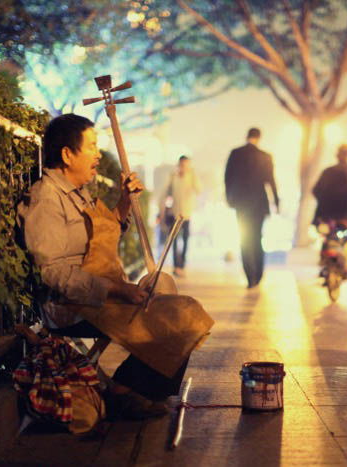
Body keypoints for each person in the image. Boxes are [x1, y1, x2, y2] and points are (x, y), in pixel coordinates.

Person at [18, 114, 212, 420]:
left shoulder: (79, 192)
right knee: (180, 315)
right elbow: (52, 272)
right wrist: (115, 288)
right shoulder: (47, 198)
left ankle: (138, 388)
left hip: (100, 292)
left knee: (162, 284)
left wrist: (124, 202)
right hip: (72, 304)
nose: (97, 154)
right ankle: (128, 390)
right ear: (67, 154)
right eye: (92, 146)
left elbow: (103, 235)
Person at [224, 127, 280, 289]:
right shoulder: (265, 156)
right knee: (257, 238)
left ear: (247, 136)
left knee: (245, 238)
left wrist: (229, 198)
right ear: (259, 138)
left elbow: (227, 178)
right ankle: (258, 273)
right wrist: (276, 202)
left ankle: (250, 275)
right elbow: (271, 181)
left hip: (241, 204)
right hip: (259, 204)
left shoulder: (235, 154)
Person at [158, 155, 202, 277]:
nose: (184, 167)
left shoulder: (191, 177)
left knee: (186, 241)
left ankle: (182, 265)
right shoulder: (173, 177)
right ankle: (176, 266)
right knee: (175, 241)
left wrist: (193, 175)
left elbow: (199, 190)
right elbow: (166, 193)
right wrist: (162, 209)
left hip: (186, 215)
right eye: (182, 164)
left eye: (186, 164)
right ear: (179, 164)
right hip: (174, 214)